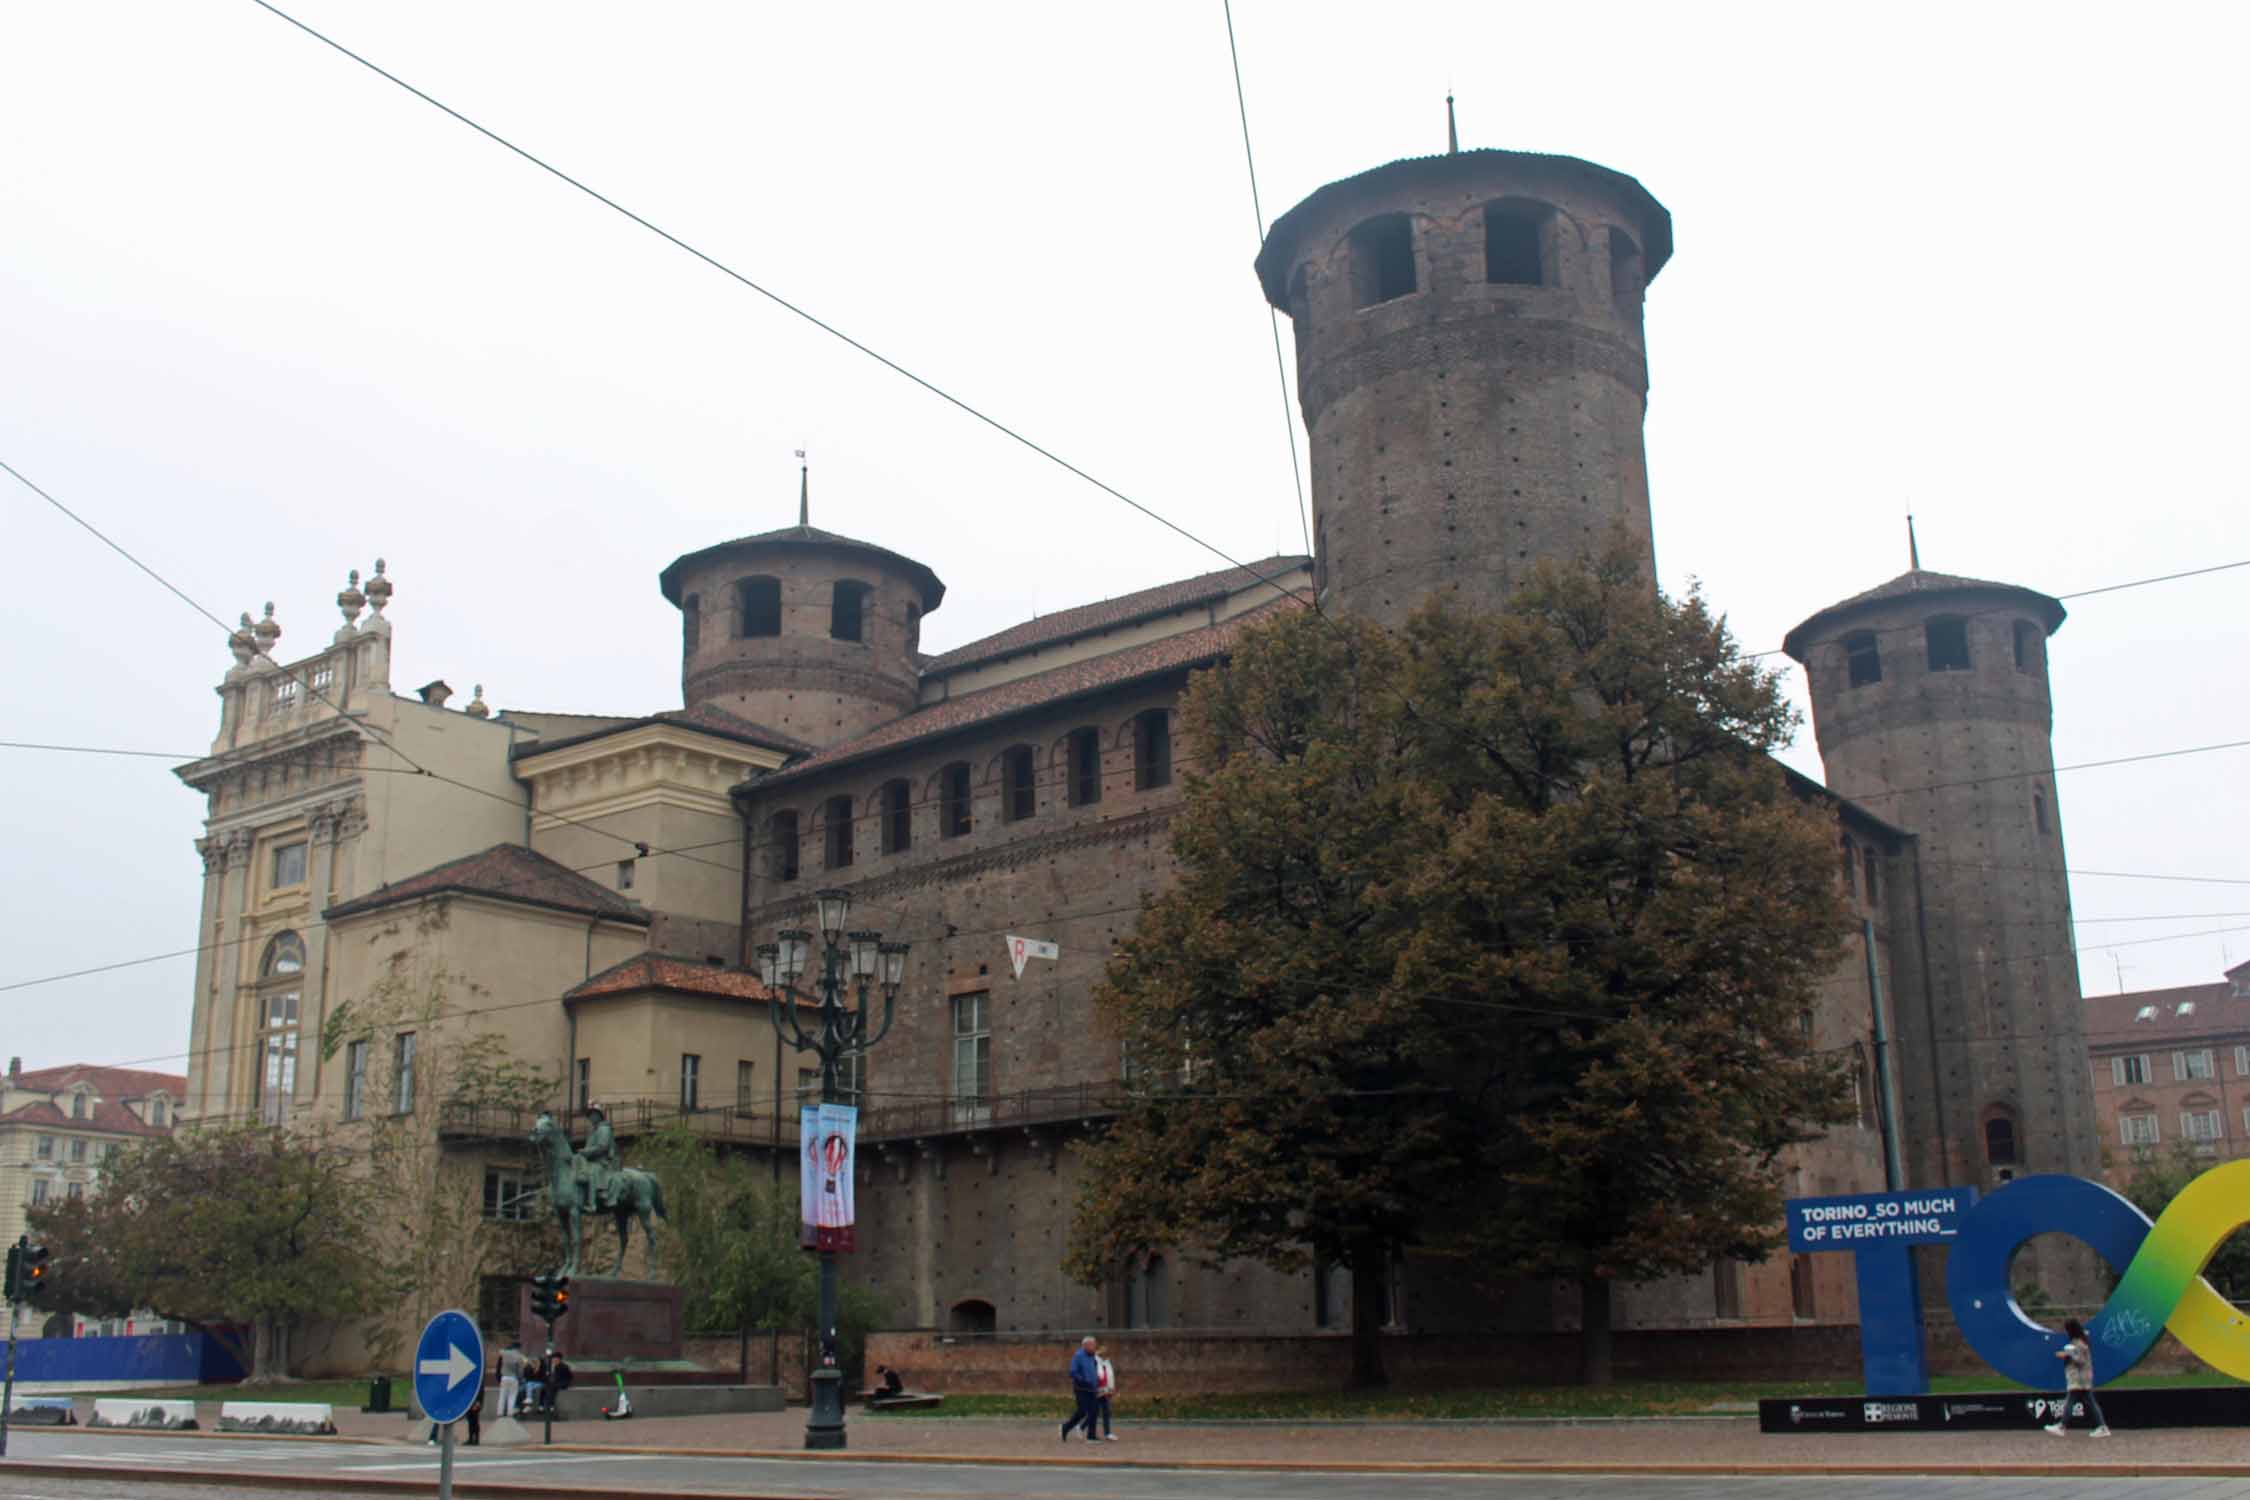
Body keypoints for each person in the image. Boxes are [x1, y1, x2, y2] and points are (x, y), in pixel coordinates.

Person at [2045, 1317, 2111, 1437]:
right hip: (2082, 1378)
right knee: (2091, 1402)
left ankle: (2062, 1426)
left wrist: (2068, 1355)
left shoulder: (2079, 1343)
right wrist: (2067, 1354)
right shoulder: (2080, 1342)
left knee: (2070, 1401)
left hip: (2079, 1378)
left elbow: (2081, 1360)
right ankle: (2102, 1427)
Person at [1060, 1336, 1102, 1442]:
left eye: (1095, 1344)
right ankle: (1066, 1427)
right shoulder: (1078, 1356)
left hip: (1092, 1389)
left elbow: (1094, 1370)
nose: (1094, 1347)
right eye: (1092, 1345)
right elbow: (1073, 1372)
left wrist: (1097, 1382)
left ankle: (1091, 1436)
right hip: (1081, 1389)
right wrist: (1083, 1380)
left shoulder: (1093, 1356)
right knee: (1082, 1411)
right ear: (1085, 1345)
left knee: (1095, 1411)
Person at [581, 1101, 621, 1211]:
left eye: (593, 1115)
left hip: (605, 1161)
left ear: (599, 1115)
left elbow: (602, 1147)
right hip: (593, 1159)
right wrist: (583, 1152)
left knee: (592, 1171)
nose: (591, 1117)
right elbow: (589, 1147)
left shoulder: (604, 1129)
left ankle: (592, 1203)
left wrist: (587, 1152)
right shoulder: (593, 1131)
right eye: (590, 1115)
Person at [1095, 1341, 1118, 1441]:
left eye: (1105, 1350)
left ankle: (1107, 1433)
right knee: (1094, 1411)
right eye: (1102, 1349)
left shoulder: (1107, 1362)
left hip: (1105, 1390)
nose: (1104, 1351)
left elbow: (1110, 1376)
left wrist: (1111, 1389)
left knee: (1106, 1411)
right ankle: (1081, 1427)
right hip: (1096, 1390)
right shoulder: (1094, 1361)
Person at [496, 1340, 523, 1422]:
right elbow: (520, 1370)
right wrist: (520, 1377)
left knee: (502, 1396)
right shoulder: (519, 1356)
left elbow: (500, 1351)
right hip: (514, 1378)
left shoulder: (505, 1353)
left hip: (504, 1377)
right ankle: (510, 1413)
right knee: (512, 1397)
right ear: (518, 1348)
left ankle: (500, 1413)